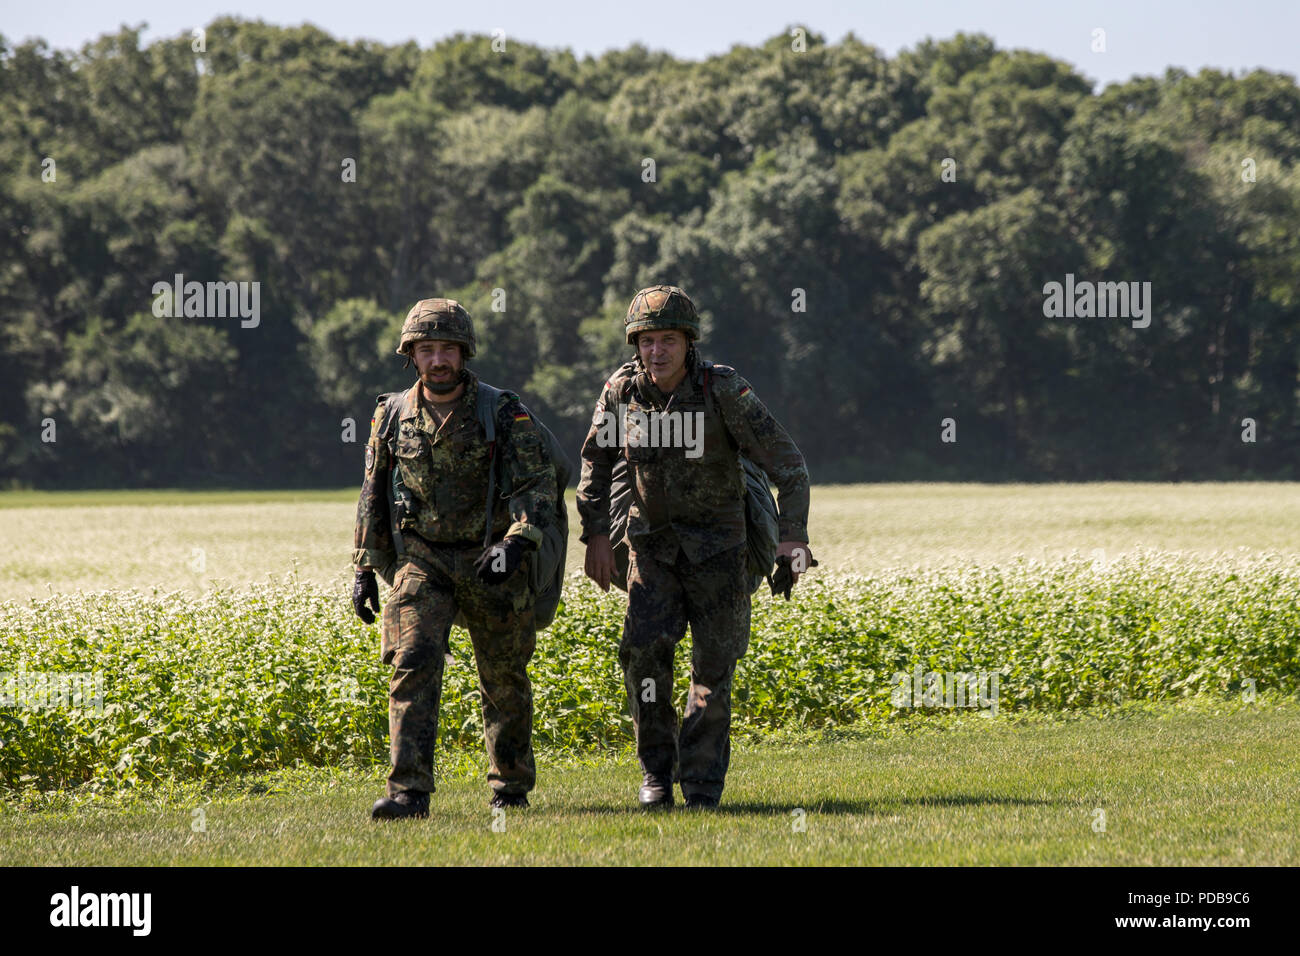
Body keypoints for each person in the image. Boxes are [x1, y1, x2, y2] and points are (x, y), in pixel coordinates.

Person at [575, 284, 813, 809]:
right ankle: (657, 774)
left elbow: (789, 464)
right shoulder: (620, 392)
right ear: (635, 344)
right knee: (643, 663)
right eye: (646, 341)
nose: (656, 351)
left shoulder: (723, 391)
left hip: (720, 555)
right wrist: (594, 534)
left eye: (667, 340)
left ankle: (702, 782)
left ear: (689, 342)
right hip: (650, 551)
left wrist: (791, 538)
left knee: (713, 669)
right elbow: (594, 464)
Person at [350, 298, 556, 820]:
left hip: (492, 554)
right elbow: (373, 491)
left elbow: (537, 486)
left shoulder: (504, 411)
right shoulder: (391, 413)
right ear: (411, 356)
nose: (437, 359)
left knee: (504, 675)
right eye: (426, 350)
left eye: (447, 349)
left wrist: (516, 544)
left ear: (463, 353)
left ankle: (510, 788)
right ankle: (408, 793)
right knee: (412, 662)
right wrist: (363, 568)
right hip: (423, 560)